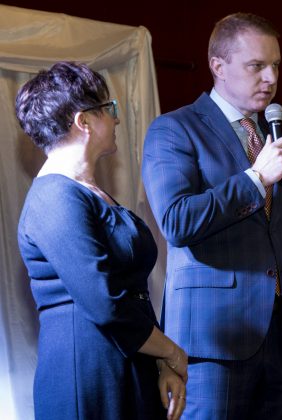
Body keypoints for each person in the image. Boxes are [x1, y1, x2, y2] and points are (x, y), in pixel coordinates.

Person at [141, 12, 282, 420]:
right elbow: (177, 221)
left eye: (275, 65)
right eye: (256, 65)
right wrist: (256, 178)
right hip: (213, 343)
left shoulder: (279, 141)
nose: (270, 78)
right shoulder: (174, 129)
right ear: (218, 66)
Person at [15, 61, 188, 420]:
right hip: (88, 377)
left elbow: (132, 292)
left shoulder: (88, 192)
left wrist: (160, 362)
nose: (116, 119)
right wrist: (171, 352)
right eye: (109, 109)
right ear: (84, 122)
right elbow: (105, 302)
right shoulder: (54, 196)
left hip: (126, 362)